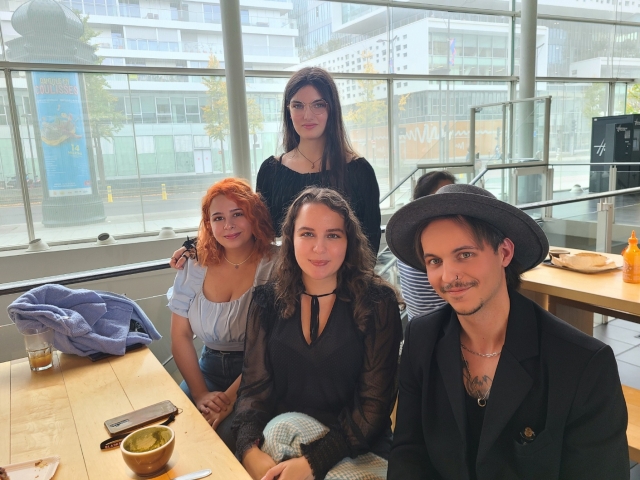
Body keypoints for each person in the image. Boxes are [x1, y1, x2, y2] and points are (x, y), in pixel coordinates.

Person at [385, 183, 629, 479]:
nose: (448, 276)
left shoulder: (582, 364)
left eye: (464, 254)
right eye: (435, 261)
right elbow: (408, 453)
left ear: (504, 252)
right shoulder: (420, 339)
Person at [232, 187, 403, 480]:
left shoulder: (378, 303)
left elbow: (374, 409)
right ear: (291, 239)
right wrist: (249, 451)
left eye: (333, 235)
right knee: (275, 432)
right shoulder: (266, 301)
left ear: (348, 241)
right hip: (286, 440)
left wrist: (313, 463)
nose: (319, 248)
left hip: (357, 447)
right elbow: (253, 392)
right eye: (307, 234)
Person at [168, 67, 381, 271]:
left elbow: (369, 247)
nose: (307, 115)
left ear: (332, 109)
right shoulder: (272, 171)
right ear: (288, 111)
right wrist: (197, 245)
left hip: (343, 292)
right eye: (298, 105)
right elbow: (252, 228)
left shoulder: (359, 172)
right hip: (285, 290)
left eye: (318, 105)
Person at [167, 178, 277, 451]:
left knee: (223, 439)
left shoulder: (277, 264)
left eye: (238, 214)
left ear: (255, 216)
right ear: (208, 225)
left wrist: (227, 400)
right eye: (218, 218)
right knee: (176, 429)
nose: (228, 225)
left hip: (259, 375)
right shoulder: (194, 264)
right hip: (206, 371)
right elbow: (180, 336)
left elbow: (273, 348)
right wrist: (201, 393)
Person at [397, 170, 454, 319]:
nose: (451, 205)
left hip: (416, 324)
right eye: (443, 199)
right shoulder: (435, 242)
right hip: (441, 327)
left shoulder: (405, 237)